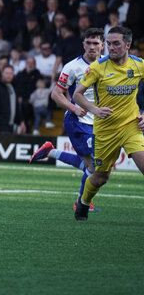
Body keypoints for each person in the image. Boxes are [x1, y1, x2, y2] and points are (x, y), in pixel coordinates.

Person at [71, 26, 144, 221]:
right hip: (105, 131)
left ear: (127, 45)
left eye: (116, 43)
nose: (111, 47)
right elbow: (77, 94)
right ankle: (83, 202)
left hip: (131, 126)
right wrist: (94, 110)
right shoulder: (97, 67)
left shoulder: (139, 65)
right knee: (100, 178)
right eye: (109, 43)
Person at [30, 28, 104, 211]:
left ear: (103, 45)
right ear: (83, 44)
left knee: (94, 166)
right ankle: (82, 203)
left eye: (96, 43)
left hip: (100, 123)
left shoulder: (108, 65)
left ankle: (51, 152)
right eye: (88, 43)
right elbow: (56, 94)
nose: (92, 46)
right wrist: (74, 108)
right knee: (95, 167)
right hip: (79, 122)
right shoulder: (72, 67)